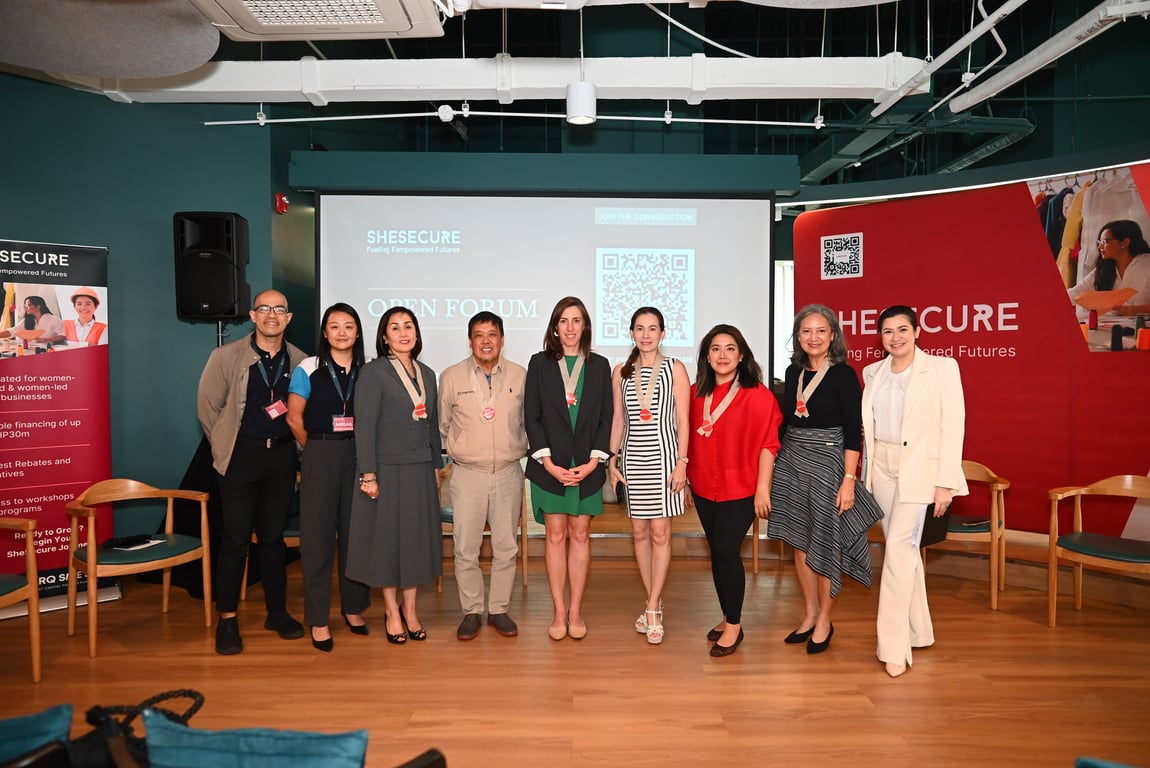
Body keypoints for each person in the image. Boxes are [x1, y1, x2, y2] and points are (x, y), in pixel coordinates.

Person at [767, 304, 883, 656]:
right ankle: (809, 613)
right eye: (806, 331)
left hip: (830, 465)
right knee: (800, 542)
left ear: (833, 335)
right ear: (798, 337)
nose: (813, 338)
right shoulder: (793, 370)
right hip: (792, 463)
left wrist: (848, 481)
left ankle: (825, 620)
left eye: (820, 331)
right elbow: (788, 422)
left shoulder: (845, 375)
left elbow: (853, 431)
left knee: (825, 541)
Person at [196, 289, 307, 655]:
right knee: (235, 538)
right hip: (240, 459)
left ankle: (277, 613)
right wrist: (225, 446)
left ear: (288, 318)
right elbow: (208, 409)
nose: (272, 314)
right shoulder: (226, 355)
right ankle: (228, 619)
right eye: (265, 308)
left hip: (281, 460)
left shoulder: (302, 361)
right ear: (253, 315)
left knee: (273, 539)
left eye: (279, 309)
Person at [861, 305, 968, 678]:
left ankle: (893, 646)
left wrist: (945, 484)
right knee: (905, 553)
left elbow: (953, 429)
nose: (896, 338)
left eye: (903, 329)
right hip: (883, 472)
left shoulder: (941, 369)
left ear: (917, 331)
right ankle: (920, 631)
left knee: (897, 553)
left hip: (919, 472)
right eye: (888, 332)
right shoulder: (872, 372)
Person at [346, 306, 443, 645]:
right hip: (385, 470)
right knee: (387, 542)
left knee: (415, 542)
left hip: (420, 469)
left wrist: (435, 468)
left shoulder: (428, 373)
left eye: (409, 326)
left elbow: (430, 425)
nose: (403, 332)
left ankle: (411, 610)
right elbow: (365, 427)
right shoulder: (373, 373)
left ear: (416, 333)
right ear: (384, 337)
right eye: (395, 327)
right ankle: (391, 610)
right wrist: (368, 474)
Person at [687, 324, 781, 657]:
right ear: (706, 356)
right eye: (715, 349)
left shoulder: (758, 395)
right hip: (702, 484)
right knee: (718, 551)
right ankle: (728, 616)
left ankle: (736, 625)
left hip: (741, 486)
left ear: (741, 355)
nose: (722, 355)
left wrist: (762, 490)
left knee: (727, 550)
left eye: (730, 348)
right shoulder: (696, 392)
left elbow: (769, 445)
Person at [524, 296, 613, 641]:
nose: (571, 327)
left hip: (587, 467)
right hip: (550, 466)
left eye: (577, 321)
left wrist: (594, 462)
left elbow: (607, 416)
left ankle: (576, 610)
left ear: (585, 327)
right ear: (555, 327)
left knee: (580, 535)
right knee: (555, 535)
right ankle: (558, 612)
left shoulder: (600, 365)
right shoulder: (539, 363)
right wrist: (547, 462)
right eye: (564, 321)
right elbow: (531, 415)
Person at [285, 302, 371, 652]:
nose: (341, 332)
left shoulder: (368, 369)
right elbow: (293, 418)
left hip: (359, 455)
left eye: (348, 326)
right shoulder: (308, 368)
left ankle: (353, 608)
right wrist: (316, 450)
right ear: (325, 332)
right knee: (318, 540)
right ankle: (319, 618)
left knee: (356, 536)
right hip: (320, 452)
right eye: (334, 326)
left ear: (357, 333)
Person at [438, 311, 528, 641]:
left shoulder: (520, 376)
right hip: (467, 475)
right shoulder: (450, 377)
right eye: (479, 334)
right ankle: (472, 610)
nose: (486, 340)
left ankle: (500, 609)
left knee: (506, 547)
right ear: (470, 340)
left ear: (502, 340)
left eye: (492, 334)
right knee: (466, 548)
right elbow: (443, 426)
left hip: (507, 473)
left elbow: (527, 423)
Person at [607, 307, 690, 645]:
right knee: (639, 533)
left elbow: (683, 419)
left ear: (663, 333)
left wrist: (683, 462)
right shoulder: (621, 371)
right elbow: (618, 420)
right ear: (631, 333)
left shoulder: (675, 368)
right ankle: (653, 599)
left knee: (660, 533)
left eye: (652, 329)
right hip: (633, 460)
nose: (646, 335)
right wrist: (612, 461)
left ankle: (653, 608)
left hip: (666, 457)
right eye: (639, 329)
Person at [1068, 220, 1150, 317]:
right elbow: (1074, 294)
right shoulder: (1105, 269)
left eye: (1106, 242)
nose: (1100, 246)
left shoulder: (1146, 264)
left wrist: (1134, 310)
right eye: (1099, 242)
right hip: (1113, 327)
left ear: (1125, 242)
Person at [0, 296, 65, 344]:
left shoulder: (53, 319)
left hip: (48, 350)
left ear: (38, 307)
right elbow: (13, 331)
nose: (26, 308)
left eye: (29, 305)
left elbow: (64, 335)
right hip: (31, 348)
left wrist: (46, 339)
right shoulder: (28, 320)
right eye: (25, 306)